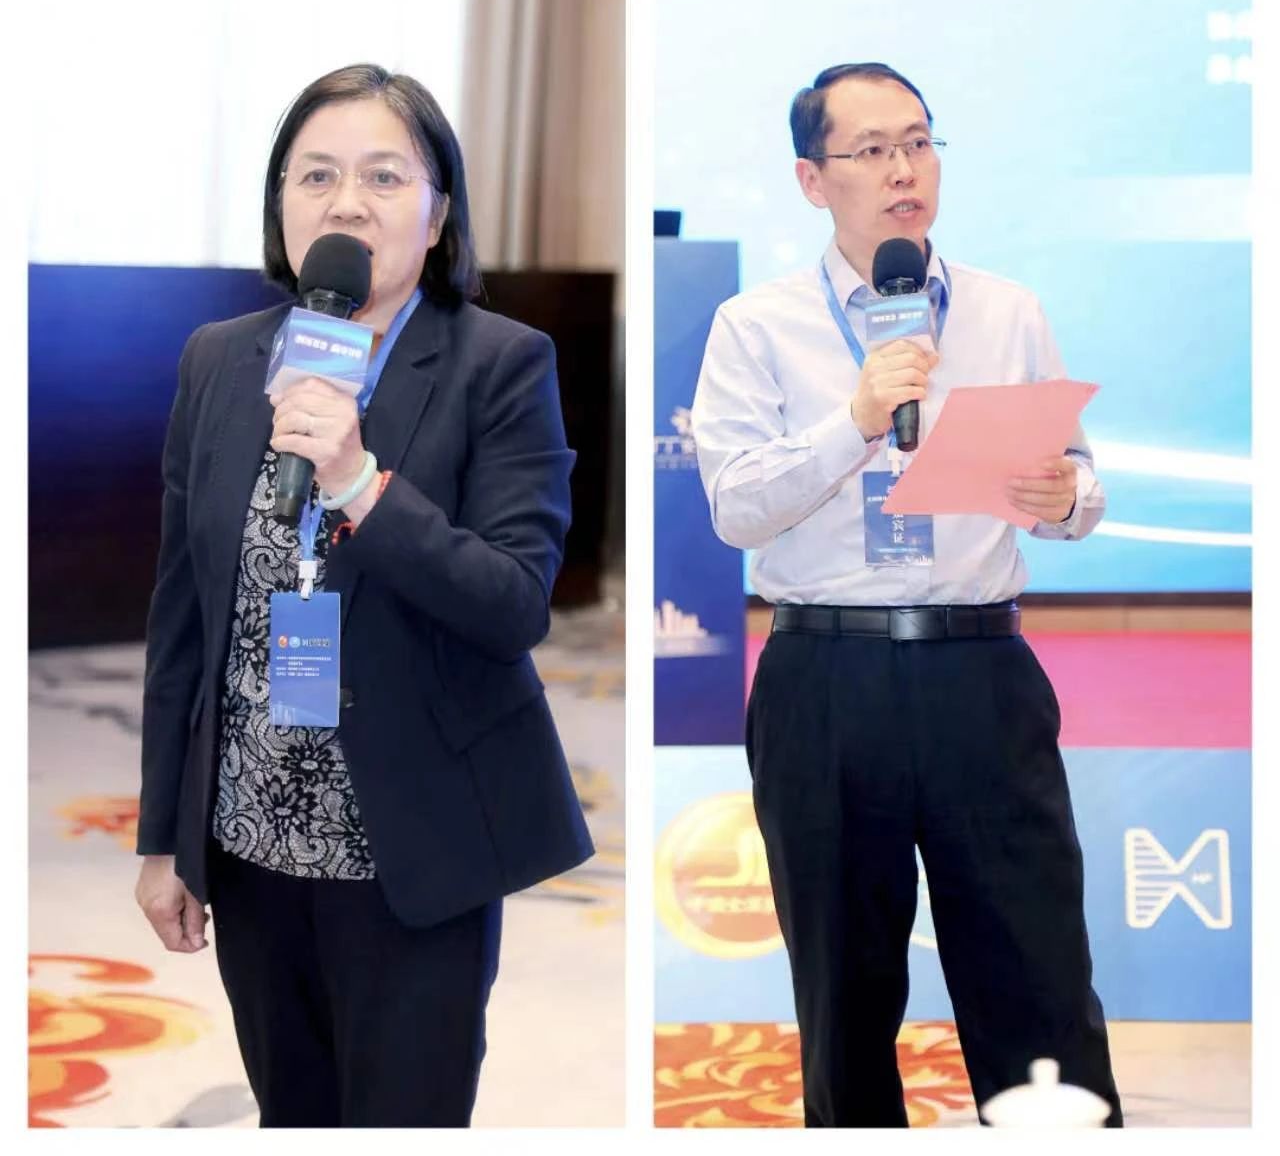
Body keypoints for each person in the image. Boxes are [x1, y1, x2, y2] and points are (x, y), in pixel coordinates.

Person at [133, 63, 593, 1127]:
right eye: (317, 175)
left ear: (438, 215)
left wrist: (356, 482)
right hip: (249, 833)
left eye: (385, 176)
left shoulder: (501, 364)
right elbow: (182, 619)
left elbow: (511, 603)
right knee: (292, 1114)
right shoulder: (220, 361)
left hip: (413, 841)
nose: (346, 202)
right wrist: (165, 836)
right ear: (281, 205)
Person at [690, 63, 1123, 1128]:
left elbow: (1076, 480)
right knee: (844, 995)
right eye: (872, 150)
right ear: (812, 179)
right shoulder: (755, 325)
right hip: (824, 677)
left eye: (919, 143)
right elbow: (735, 508)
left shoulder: (1005, 310)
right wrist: (855, 419)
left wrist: (1065, 496)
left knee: (1038, 978)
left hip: (980, 671)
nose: (902, 171)